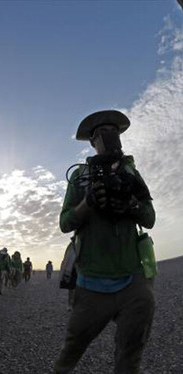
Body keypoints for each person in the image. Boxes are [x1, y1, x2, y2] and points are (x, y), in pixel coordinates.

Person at [54, 110, 156, 374]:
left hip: (133, 282)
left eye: (114, 131)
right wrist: (87, 204)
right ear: (92, 141)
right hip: (91, 284)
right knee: (70, 352)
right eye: (102, 133)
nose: (109, 137)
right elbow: (65, 223)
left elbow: (149, 218)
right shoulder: (80, 177)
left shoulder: (131, 172)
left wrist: (130, 204)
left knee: (130, 357)